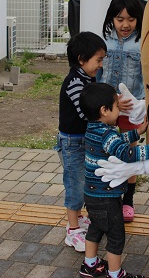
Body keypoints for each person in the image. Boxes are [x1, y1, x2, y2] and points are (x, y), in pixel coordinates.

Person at [78, 82, 149, 278]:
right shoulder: (107, 134)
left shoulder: (93, 129)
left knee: (95, 228)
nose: (119, 111)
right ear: (104, 110)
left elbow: (115, 143)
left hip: (91, 195)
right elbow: (126, 153)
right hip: (107, 198)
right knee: (116, 236)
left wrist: (137, 131)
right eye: (116, 107)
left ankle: (89, 266)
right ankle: (116, 274)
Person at [56, 31, 107, 252]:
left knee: (83, 181)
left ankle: (77, 218)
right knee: (74, 185)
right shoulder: (74, 83)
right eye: (98, 60)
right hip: (71, 143)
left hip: (81, 140)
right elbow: (86, 113)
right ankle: (73, 230)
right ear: (81, 59)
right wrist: (108, 114)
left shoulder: (87, 77)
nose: (100, 64)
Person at [96, 0, 145, 222]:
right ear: (111, 19)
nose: (125, 24)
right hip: (106, 108)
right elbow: (98, 74)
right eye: (119, 19)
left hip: (131, 109)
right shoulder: (105, 40)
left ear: (138, 19)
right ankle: (108, 196)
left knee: (129, 154)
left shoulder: (142, 42)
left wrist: (141, 104)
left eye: (131, 19)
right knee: (104, 150)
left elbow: (147, 77)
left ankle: (128, 201)